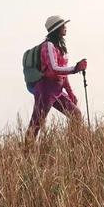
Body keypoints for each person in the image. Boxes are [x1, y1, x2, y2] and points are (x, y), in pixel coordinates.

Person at [26, 15, 87, 144]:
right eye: (63, 25)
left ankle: (73, 146)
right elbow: (54, 69)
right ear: (57, 28)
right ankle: (26, 153)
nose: (65, 27)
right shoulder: (48, 46)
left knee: (76, 115)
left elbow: (62, 73)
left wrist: (70, 92)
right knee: (36, 124)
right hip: (46, 89)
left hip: (57, 89)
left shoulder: (60, 47)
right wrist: (75, 68)